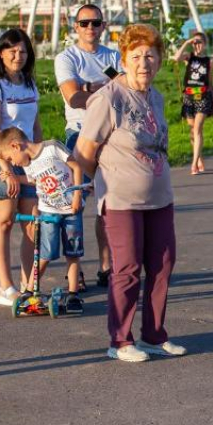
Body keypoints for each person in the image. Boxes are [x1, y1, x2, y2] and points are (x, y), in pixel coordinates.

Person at [74, 23, 185, 362]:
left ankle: (153, 335)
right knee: (127, 269)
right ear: (123, 59)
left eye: (150, 56)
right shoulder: (109, 98)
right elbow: (83, 152)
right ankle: (120, 341)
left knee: (162, 265)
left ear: (160, 60)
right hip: (122, 201)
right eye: (135, 56)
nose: (143, 63)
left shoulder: (156, 97)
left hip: (159, 197)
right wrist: (103, 180)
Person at [54, 3, 121, 289]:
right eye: (84, 23)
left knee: (108, 206)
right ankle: (74, 272)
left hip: (112, 135)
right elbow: (73, 98)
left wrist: (91, 88)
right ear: (75, 27)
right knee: (75, 205)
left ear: (103, 26)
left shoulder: (112, 56)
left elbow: (125, 90)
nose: (90, 28)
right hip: (80, 134)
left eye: (95, 23)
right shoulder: (68, 57)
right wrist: (102, 88)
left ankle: (106, 267)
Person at [0, 28, 41, 306]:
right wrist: (5, 169)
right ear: (1, 53)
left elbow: (35, 125)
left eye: (23, 50)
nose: (18, 55)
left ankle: (29, 285)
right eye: (12, 50)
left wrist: (40, 160)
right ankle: (6, 287)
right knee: (4, 222)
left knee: (33, 223)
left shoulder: (29, 84)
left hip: (26, 163)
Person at [0, 127, 86, 313]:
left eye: (11, 159)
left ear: (15, 145)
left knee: (72, 252)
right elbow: (35, 180)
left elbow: (76, 167)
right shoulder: (28, 165)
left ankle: (73, 294)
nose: (13, 163)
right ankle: (29, 290)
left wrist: (77, 193)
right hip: (48, 211)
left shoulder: (52, 148)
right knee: (44, 252)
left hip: (70, 209)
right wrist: (13, 177)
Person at [173, 31, 213, 174]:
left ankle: (194, 164)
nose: (197, 45)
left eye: (200, 42)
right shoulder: (189, 58)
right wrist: (187, 43)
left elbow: (211, 81)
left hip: (203, 97)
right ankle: (199, 158)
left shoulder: (209, 61)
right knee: (193, 130)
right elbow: (176, 58)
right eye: (195, 42)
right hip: (189, 97)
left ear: (205, 44)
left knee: (198, 129)